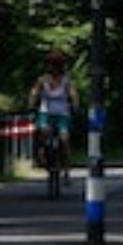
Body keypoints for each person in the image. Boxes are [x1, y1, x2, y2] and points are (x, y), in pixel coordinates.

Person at [29, 50, 79, 183]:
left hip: (62, 113)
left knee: (64, 139)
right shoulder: (42, 80)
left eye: (57, 65)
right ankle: (41, 155)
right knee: (42, 131)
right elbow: (34, 93)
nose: (54, 68)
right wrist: (32, 104)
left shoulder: (67, 81)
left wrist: (74, 105)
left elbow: (73, 95)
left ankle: (66, 170)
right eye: (52, 65)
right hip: (45, 112)